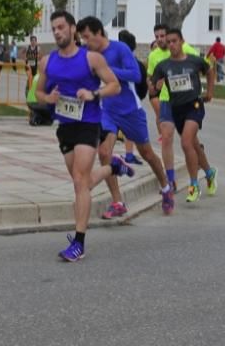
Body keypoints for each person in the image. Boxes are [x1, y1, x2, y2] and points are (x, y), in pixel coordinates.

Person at [35, 10, 133, 262]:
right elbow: (38, 92)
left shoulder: (90, 59)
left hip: (88, 124)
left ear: (72, 30)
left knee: (80, 182)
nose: (56, 32)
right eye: (53, 28)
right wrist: (49, 98)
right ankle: (113, 167)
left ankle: (78, 243)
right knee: (84, 183)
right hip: (65, 126)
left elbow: (115, 85)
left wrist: (94, 94)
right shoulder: (47, 61)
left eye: (60, 27)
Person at [77, 17, 175, 217]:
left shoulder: (119, 49)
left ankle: (166, 187)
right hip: (106, 110)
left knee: (147, 153)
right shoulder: (89, 54)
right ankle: (118, 202)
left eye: (87, 37)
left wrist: (108, 71)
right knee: (104, 152)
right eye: (82, 38)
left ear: (99, 33)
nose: (86, 42)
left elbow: (136, 75)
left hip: (130, 110)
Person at [150, 28, 217, 204]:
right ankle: (209, 172)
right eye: (169, 41)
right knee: (193, 144)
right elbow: (151, 88)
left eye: (174, 41)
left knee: (186, 142)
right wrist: (156, 87)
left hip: (194, 106)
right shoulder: (163, 66)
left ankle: (194, 185)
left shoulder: (194, 61)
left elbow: (209, 70)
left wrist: (210, 92)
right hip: (175, 108)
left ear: (181, 42)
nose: (171, 44)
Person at [147, 23, 202, 192]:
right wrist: (154, 86)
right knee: (167, 138)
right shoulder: (154, 55)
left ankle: (204, 168)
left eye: (162, 36)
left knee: (190, 142)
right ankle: (171, 180)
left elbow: (200, 69)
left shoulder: (188, 50)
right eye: (156, 37)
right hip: (166, 101)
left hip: (187, 102)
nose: (160, 40)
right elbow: (150, 80)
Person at [118, 29, 147, 165]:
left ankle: (126, 154)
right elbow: (142, 86)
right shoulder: (138, 65)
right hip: (131, 103)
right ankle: (128, 155)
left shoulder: (113, 63)